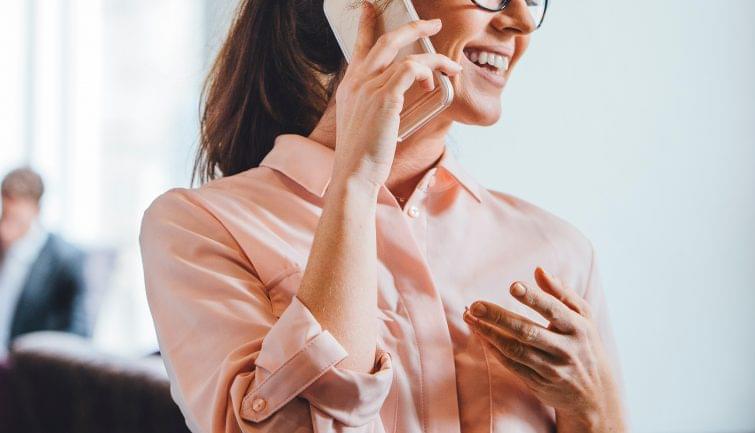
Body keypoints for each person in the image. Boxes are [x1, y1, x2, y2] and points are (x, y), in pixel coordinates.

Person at [139, 0, 629, 432]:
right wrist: (355, 180)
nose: (521, 19)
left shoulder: (559, 252)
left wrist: (595, 413)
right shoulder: (198, 227)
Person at [0, 167, 89, 359]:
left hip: (26, 370)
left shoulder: (65, 260)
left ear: (36, 210)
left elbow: (78, 334)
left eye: (14, 217)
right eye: (4, 214)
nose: (5, 226)